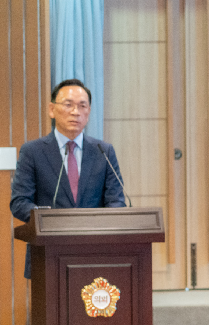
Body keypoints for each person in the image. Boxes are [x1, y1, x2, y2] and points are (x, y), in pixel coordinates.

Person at [10, 78, 127, 278]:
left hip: (96, 254)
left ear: (88, 113)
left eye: (82, 106)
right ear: (51, 109)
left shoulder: (103, 151)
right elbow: (19, 202)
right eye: (68, 105)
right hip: (48, 254)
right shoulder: (33, 151)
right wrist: (49, 219)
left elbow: (116, 200)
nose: (75, 112)